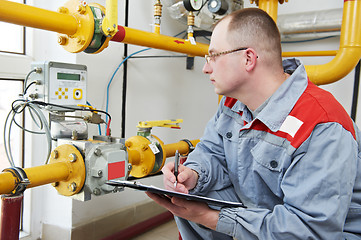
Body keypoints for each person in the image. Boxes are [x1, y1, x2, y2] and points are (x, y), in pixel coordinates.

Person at [146, 7, 361, 240]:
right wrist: (194, 173)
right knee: (192, 193)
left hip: (324, 234)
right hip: (265, 212)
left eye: (214, 56)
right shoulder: (233, 103)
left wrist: (211, 218)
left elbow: (310, 231)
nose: (206, 68)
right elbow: (211, 151)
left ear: (248, 58)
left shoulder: (322, 126)